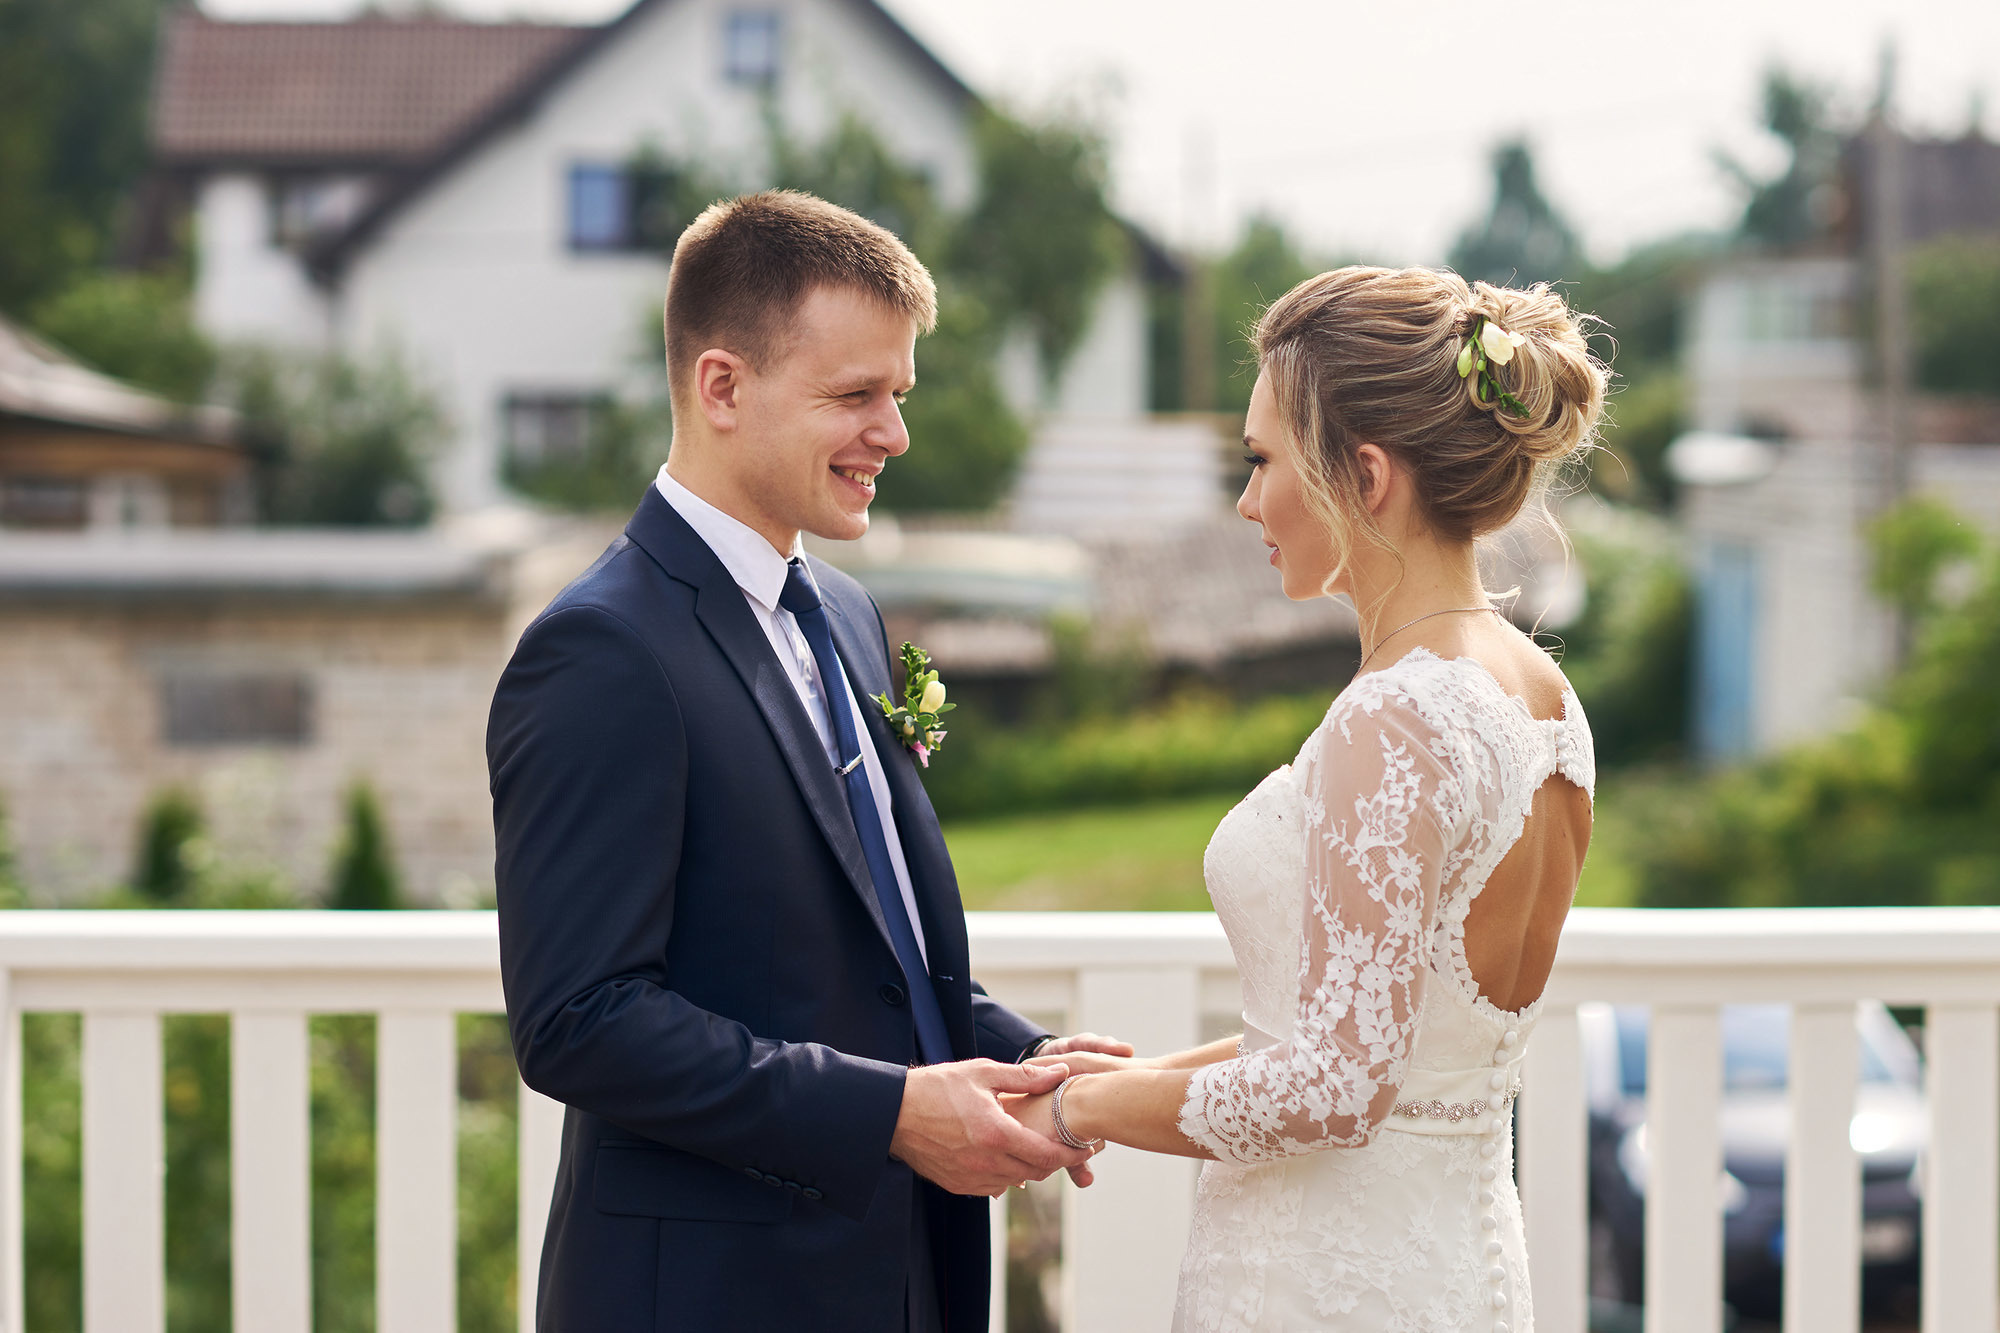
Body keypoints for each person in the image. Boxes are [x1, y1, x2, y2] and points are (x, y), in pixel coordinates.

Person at [490, 189, 1128, 1333]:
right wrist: (887, 1113)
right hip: (710, 1298)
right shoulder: (600, 650)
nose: (894, 434)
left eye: (898, 394)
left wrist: (1019, 1055)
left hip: (897, 1274)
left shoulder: (842, 611)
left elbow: (864, 951)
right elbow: (579, 1018)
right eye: (854, 396)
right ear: (721, 387)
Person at [1006, 265, 1607, 1332]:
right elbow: (1375, 1036)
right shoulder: (1544, 696)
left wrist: (1076, 1106)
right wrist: (1137, 1073)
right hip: (1456, 1268)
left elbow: (1332, 1087)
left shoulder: (1395, 716)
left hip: (1321, 1280)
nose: (1247, 502)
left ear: (1364, 475)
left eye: (1261, 460)